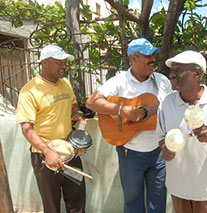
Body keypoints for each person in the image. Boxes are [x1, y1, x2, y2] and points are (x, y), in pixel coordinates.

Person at [86, 38, 172, 213]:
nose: (153, 59)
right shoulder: (120, 81)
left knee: (158, 202)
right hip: (130, 153)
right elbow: (91, 102)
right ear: (134, 58)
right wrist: (121, 110)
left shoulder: (162, 81)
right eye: (148, 56)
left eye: (153, 55)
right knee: (133, 202)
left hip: (159, 153)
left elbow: (172, 108)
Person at [156, 50, 207, 213]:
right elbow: (161, 136)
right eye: (172, 71)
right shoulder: (167, 103)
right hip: (178, 185)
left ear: (196, 73)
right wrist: (165, 150)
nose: (172, 75)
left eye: (178, 70)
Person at [16, 44, 87, 213]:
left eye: (64, 62)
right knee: (52, 205)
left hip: (70, 152)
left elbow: (73, 104)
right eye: (59, 62)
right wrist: (47, 152)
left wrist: (76, 112)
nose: (64, 66)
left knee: (77, 201)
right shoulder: (30, 91)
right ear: (44, 63)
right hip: (44, 157)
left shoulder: (65, 83)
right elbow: (26, 127)